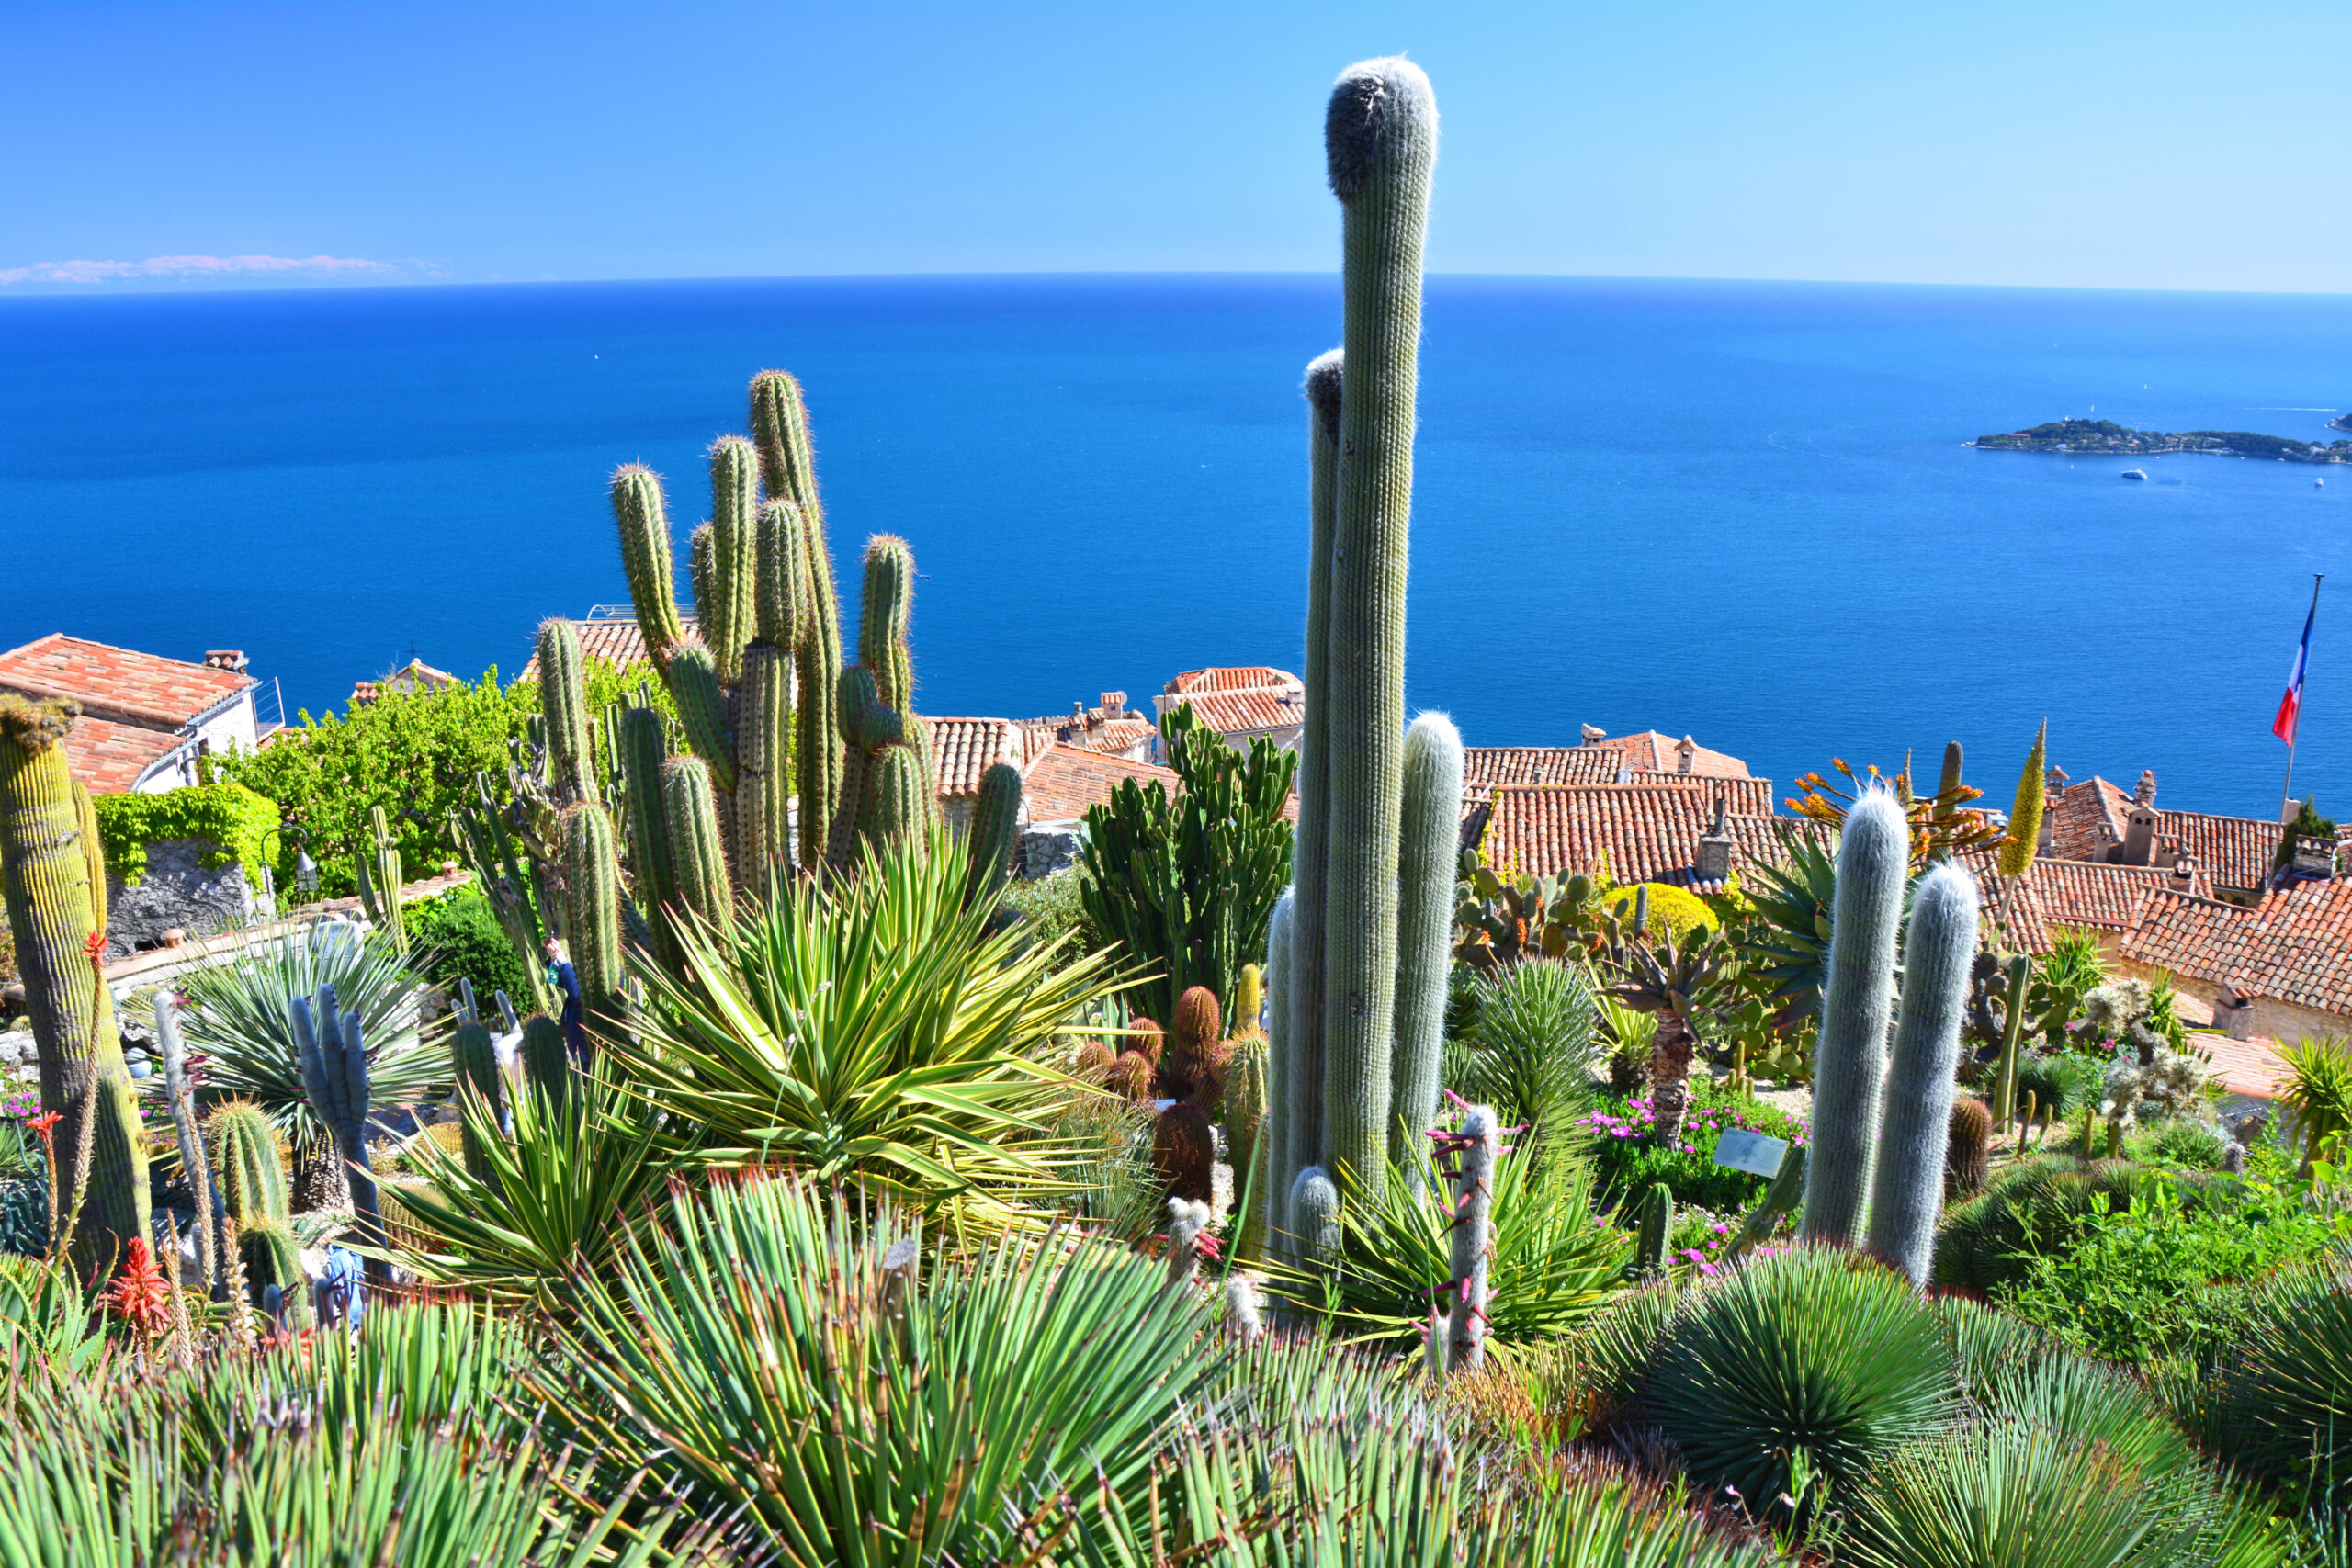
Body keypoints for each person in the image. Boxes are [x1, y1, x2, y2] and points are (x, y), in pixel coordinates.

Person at [545, 936, 588, 1064]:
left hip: (588, 1051)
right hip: (577, 1047)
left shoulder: (611, 968)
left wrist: (563, 963)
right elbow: (563, 982)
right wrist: (554, 957)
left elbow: (577, 995)